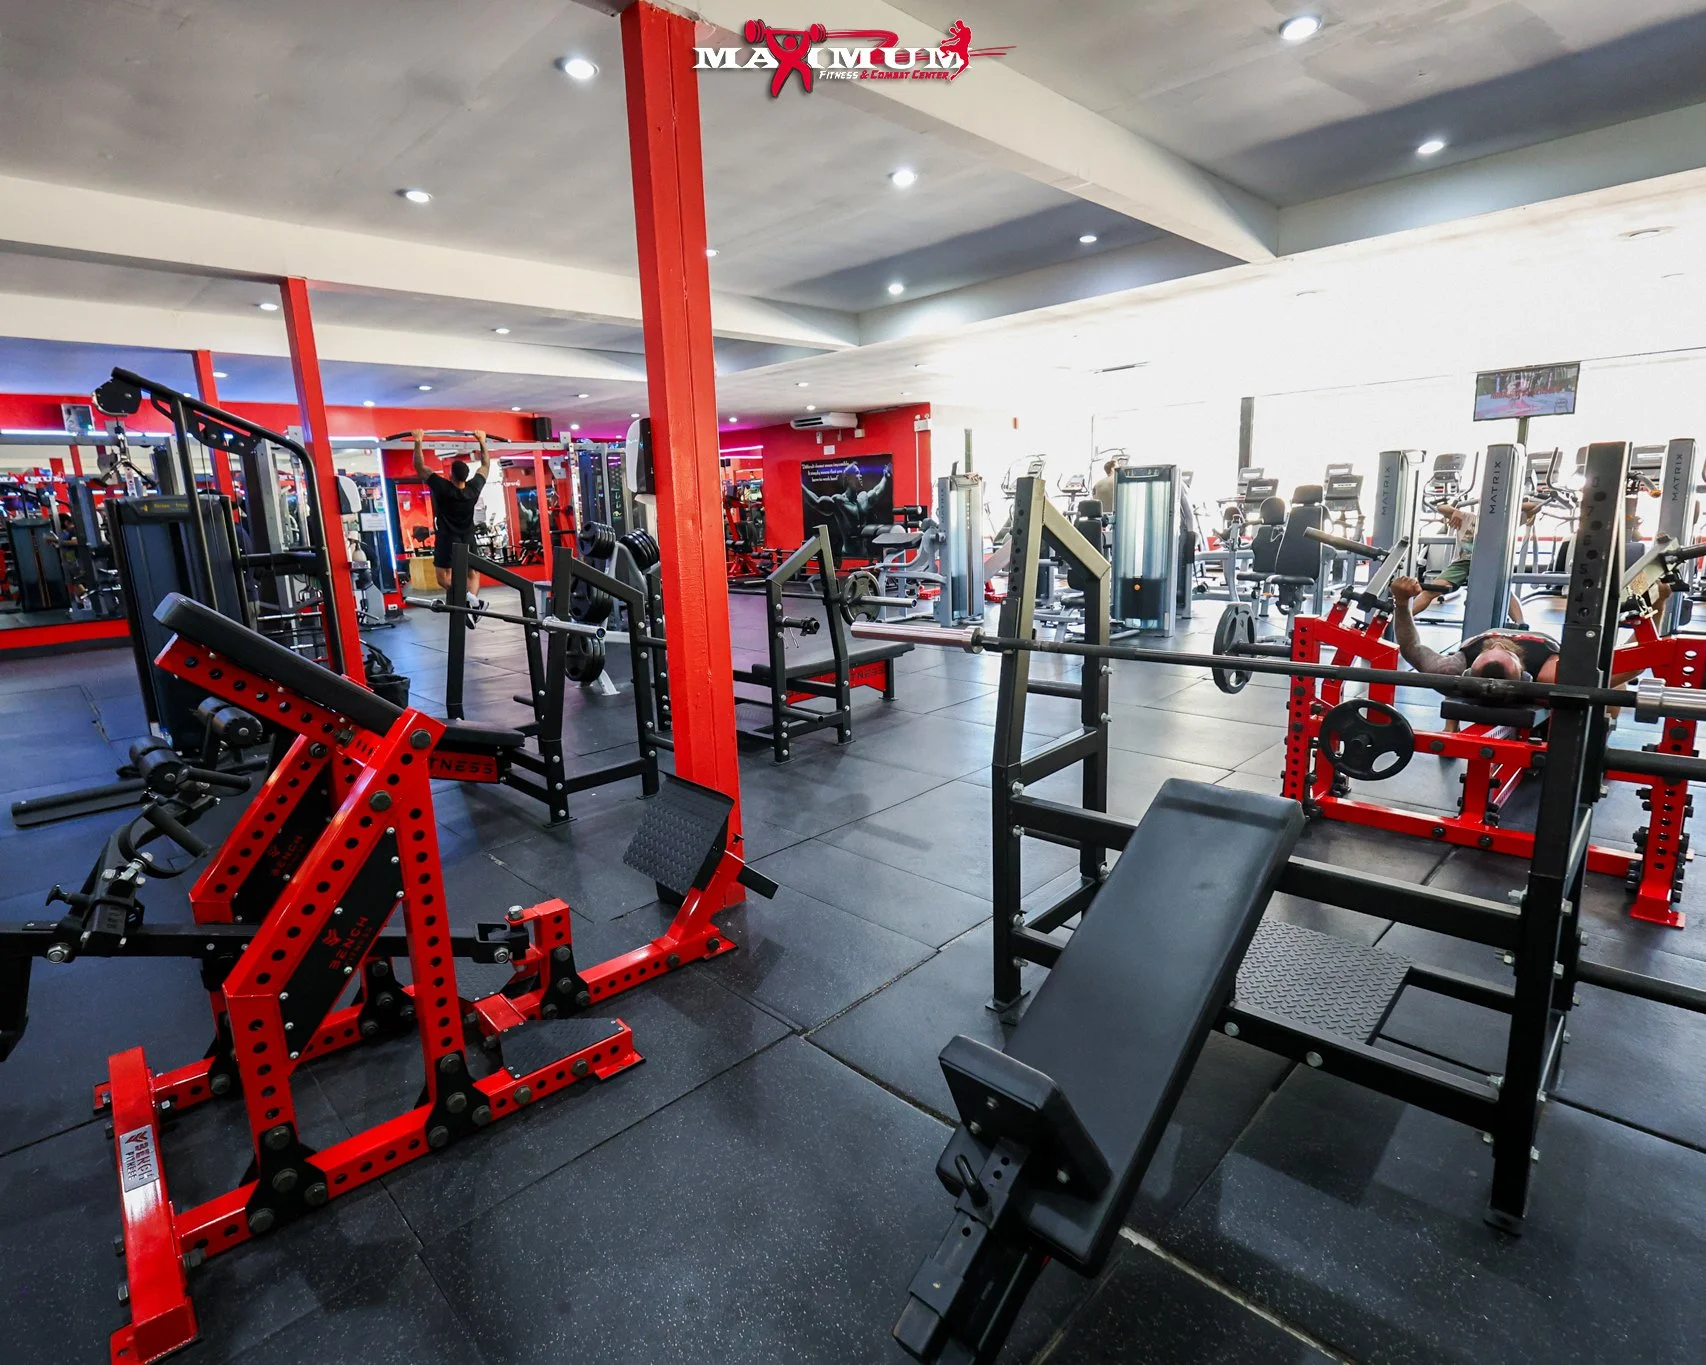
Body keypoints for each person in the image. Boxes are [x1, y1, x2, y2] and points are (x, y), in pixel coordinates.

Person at [1391, 575, 1559, 684]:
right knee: (1552, 681)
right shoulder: (1544, 666)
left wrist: (1402, 601)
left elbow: (1412, 649)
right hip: (1540, 639)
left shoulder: (1458, 665)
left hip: (1463, 676)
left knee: (1448, 677)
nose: (1499, 644)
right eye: (1507, 652)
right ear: (1523, 672)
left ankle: (1451, 726)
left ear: (1469, 670)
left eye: (1489, 649)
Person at [1410, 502, 1536, 626]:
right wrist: (1455, 512)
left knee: (1505, 591)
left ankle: (1521, 625)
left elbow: (1535, 506)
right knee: (1433, 589)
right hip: (1462, 563)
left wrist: (1509, 505)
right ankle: (1404, 617)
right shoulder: (1467, 517)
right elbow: (1440, 507)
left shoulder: (1506, 520)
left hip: (1489, 562)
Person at [413, 430, 492, 626]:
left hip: (447, 538)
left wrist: (418, 440)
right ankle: (472, 604)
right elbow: (485, 464)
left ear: (450, 474)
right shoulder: (473, 489)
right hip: (467, 537)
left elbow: (419, 466)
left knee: (443, 578)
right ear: (466, 476)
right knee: (473, 574)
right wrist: (482, 441)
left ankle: (469, 601)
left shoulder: (443, 487)